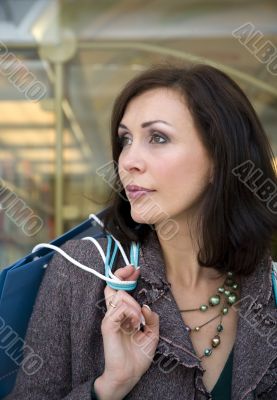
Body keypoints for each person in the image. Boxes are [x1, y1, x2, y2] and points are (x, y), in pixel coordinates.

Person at [7, 64, 277, 400]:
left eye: (158, 138)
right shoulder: (81, 272)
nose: (128, 160)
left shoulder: (270, 291)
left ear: (219, 159)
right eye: (125, 139)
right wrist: (108, 387)